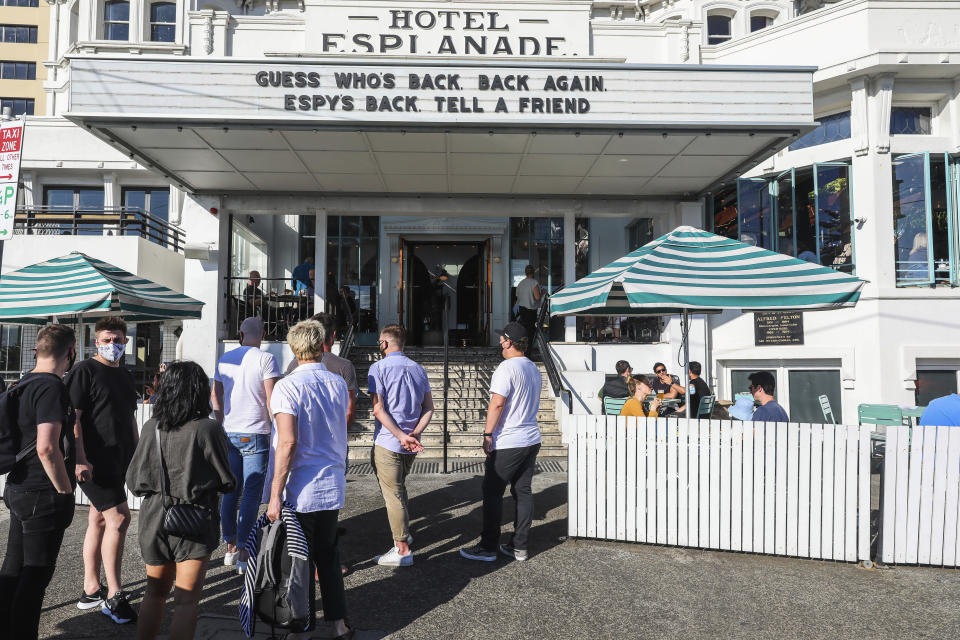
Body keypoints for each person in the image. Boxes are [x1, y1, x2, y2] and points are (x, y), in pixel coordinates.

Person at [126, 361, 235, 640]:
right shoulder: (207, 429)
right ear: (198, 391)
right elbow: (227, 479)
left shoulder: (152, 427)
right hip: (195, 519)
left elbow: (134, 482)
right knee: (186, 601)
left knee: (154, 593)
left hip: (154, 518)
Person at [266, 320, 352, 640]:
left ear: (293, 347)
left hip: (301, 485)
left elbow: (287, 442)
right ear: (322, 345)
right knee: (328, 554)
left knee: (297, 561)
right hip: (331, 479)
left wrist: (275, 494)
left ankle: (300, 627)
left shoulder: (287, 386)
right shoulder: (337, 383)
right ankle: (339, 625)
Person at [0, 325, 77, 640]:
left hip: (17, 488)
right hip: (41, 494)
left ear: (36, 351)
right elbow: (47, 447)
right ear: (70, 352)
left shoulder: (23, 383)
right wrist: (64, 488)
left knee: (13, 570)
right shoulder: (51, 388)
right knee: (36, 574)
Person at [67, 316, 139, 624]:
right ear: (96, 342)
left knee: (98, 519)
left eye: (118, 340)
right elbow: (73, 418)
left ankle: (91, 588)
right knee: (120, 517)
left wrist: (138, 456)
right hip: (94, 462)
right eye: (107, 340)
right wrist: (80, 457)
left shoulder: (124, 374)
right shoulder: (84, 370)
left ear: (126, 341)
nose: (113, 345)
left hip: (119, 460)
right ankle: (113, 595)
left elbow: (130, 418)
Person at [461, 322, 542, 563]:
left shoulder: (506, 368)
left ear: (508, 341)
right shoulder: (533, 368)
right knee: (523, 491)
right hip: (530, 437)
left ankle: (488, 547)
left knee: (493, 492)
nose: (499, 342)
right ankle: (520, 546)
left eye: (501, 338)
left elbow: (497, 403)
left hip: (509, 440)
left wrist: (488, 434)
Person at [211, 317, 281, 575]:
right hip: (256, 431)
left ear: (240, 333)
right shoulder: (266, 359)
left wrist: (220, 421)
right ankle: (243, 551)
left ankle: (229, 545)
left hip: (230, 431)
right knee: (251, 494)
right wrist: (278, 429)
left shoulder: (225, 359)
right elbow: (272, 399)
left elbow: (215, 396)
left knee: (231, 490)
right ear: (262, 334)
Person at [367, 324, 434, 566]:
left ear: (384, 343)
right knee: (399, 488)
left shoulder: (378, 368)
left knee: (392, 495)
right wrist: (413, 433)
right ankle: (404, 534)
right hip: (410, 442)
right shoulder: (418, 369)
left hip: (389, 441)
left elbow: (378, 409)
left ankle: (402, 548)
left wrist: (399, 435)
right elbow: (429, 408)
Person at [285, 313, 357, 430]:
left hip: (303, 438)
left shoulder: (293, 365)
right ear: (333, 334)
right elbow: (349, 410)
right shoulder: (344, 366)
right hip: (334, 441)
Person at [514, 265, 542, 355]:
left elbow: (518, 297)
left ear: (525, 272)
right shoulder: (534, 283)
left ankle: (522, 351)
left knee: (523, 332)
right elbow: (537, 297)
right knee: (530, 333)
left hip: (522, 310)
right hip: (530, 311)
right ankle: (528, 353)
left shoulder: (521, 283)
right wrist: (543, 293)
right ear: (533, 273)